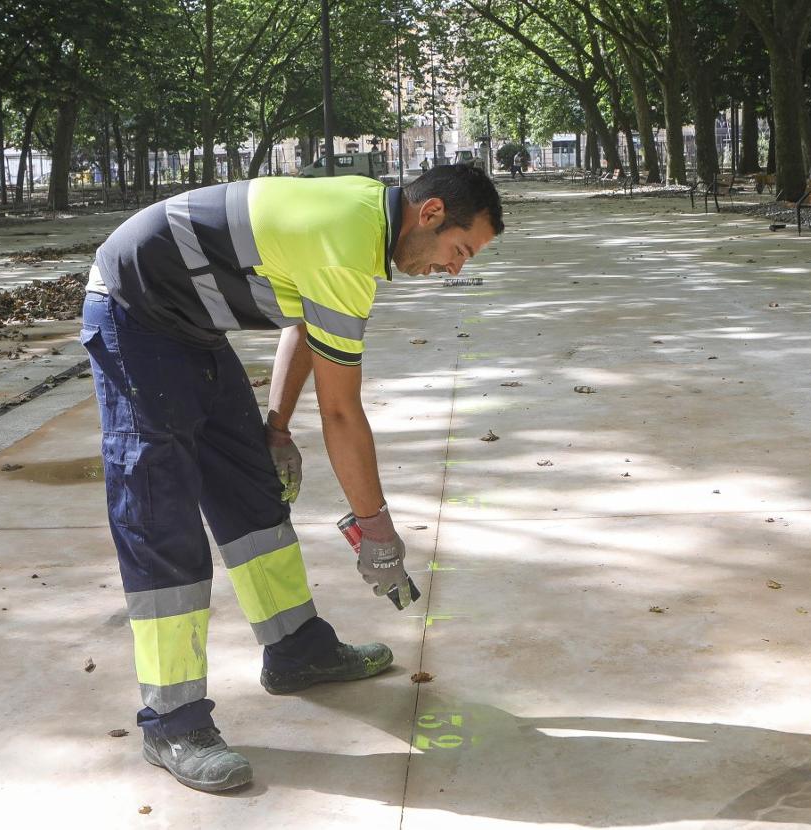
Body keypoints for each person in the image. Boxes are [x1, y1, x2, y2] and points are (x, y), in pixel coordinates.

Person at [79, 164, 504, 793]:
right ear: (432, 212)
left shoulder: (366, 224)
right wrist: (376, 530)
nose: (454, 269)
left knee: (251, 483)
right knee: (161, 515)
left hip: (188, 324)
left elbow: (308, 320)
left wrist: (275, 430)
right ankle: (172, 720)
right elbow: (340, 413)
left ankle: (295, 649)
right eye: (459, 251)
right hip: (135, 312)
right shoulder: (346, 243)